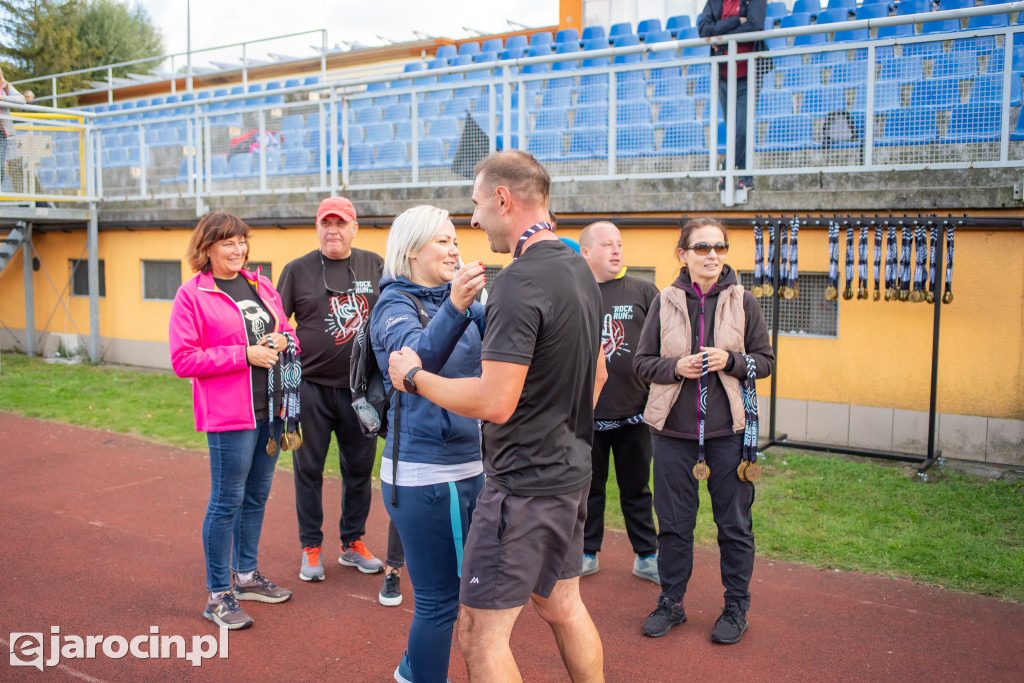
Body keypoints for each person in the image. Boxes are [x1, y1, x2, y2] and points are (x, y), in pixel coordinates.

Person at [389, 150, 608, 682]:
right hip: (571, 474)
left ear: (504, 199)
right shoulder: (580, 267)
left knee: (479, 637)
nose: (473, 219)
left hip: (523, 488)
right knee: (563, 607)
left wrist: (415, 377)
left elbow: (494, 401)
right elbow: (598, 376)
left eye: (477, 204)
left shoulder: (517, 281)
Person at [634, 217, 774, 644]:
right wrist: (675, 367)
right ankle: (672, 603)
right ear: (683, 255)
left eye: (720, 247)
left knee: (734, 526)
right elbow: (641, 365)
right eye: (702, 248)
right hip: (673, 437)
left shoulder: (744, 300)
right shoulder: (664, 301)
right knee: (674, 526)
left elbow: (765, 362)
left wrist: (730, 360)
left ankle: (736, 608)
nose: (712, 255)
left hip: (730, 436)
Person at [371, 204, 488, 683]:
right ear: (412, 248)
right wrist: (459, 307)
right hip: (426, 474)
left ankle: (410, 672)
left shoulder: (454, 300)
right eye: (443, 240)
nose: (455, 248)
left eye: (456, 239)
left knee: (461, 599)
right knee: (441, 604)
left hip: (467, 464)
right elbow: (417, 366)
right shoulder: (393, 305)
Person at [169, 211, 297, 630]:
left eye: (242, 241)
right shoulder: (192, 295)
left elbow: (288, 333)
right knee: (227, 501)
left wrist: (283, 339)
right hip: (230, 416)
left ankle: (245, 576)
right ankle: (217, 594)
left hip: (270, 411)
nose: (238, 249)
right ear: (206, 248)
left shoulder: (260, 284)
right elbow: (183, 359)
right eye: (228, 243)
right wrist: (244, 354)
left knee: (257, 497)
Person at [277, 196, 388, 582]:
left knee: (359, 469)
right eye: (326, 223)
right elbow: (278, 323)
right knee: (308, 469)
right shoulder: (297, 270)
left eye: (341, 224)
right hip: (311, 389)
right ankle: (311, 547)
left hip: (361, 391)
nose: (333, 230)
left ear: (354, 228)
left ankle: (352, 542)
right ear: (317, 228)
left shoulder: (375, 265)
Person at [578, 221, 659, 584]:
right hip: (586, 414)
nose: (616, 250)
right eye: (607, 244)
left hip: (635, 414)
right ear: (586, 252)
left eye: (619, 243)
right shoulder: (574, 292)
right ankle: (586, 552)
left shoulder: (643, 291)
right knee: (588, 489)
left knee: (637, 488)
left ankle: (647, 556)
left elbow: (662, 344)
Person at [698, 0, 767, 192]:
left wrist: (720, 37)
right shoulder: (715, 2)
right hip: (724, 74)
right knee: (734, 131)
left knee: (741, 129)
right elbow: (704, 30)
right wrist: (736, 20)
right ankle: (745, 178)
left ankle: (727, 171)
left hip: (748, 73)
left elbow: (754, 25)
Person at [0, 68, 26, 190]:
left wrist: (2, 99)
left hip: (2, 134)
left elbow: (22, 100)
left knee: (1, 167)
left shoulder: (5, 87)